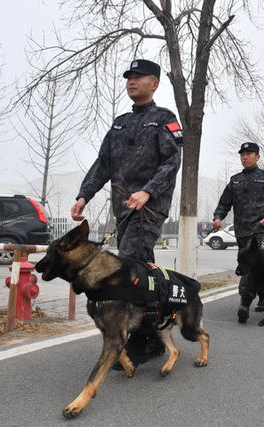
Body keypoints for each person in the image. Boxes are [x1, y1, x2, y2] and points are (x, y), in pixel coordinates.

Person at [71, 59, 183, 369]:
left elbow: (172, 162)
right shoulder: (119, 123)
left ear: (155, 83)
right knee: (143, 269)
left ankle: (142, 338)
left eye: (139, 76)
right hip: (124, 210)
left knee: (130, 266)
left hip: (149, 208)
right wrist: (84, 194)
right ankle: (156, 329)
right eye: (129, 77)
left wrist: (148, 190)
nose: (132, 81)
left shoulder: (164, 119)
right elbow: (102, 164)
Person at [212, 142, 264, 323]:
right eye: (242, 154)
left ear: (257, 157)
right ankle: (260, 296)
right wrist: (218, 217)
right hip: (240, 233)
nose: (245, 157)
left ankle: (245, 302)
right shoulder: (235, 180)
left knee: (253, 265)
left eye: (249, 154)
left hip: (259, 231)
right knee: (249, 267)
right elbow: (224, 203)